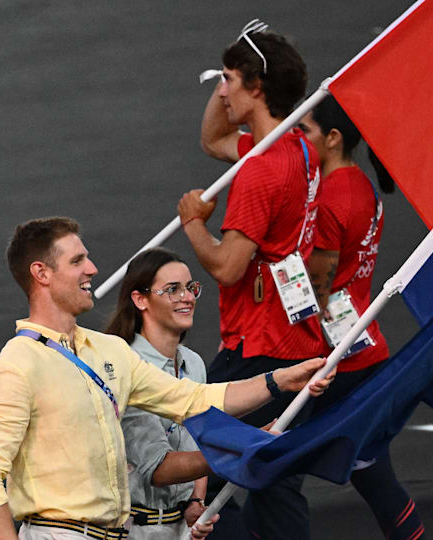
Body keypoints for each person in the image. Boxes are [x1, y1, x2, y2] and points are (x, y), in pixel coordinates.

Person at [0, 217, 332, 540]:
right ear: (41, 273)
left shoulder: (109, 350)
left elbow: (193, 400)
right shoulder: (19, 363)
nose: (93, 269)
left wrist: (279, 380)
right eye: (78, 261)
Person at [177, 21, 326, 540]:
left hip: (261, 346)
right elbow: (213, 137)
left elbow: (226, 266)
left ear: (256, 87)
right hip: (288, 332)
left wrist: (192, 221)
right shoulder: (299, 149)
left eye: (227, 80)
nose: (220, 91)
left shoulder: (260, 169)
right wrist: (239, 66)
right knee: (253, 471)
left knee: (231, 466)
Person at [300, 95, 425, 539]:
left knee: (273, 470)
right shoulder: (361, 187)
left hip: (335, 363)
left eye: (307, 131)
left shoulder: (332, 199)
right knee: (371, 471)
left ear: (332, 139)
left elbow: (317, 291)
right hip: (363, 349)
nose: (299, 138)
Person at [103, 248, 211, 540]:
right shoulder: (123, 365)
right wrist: (240, 449)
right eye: (172, 290)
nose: (187, 297)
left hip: (179, 529)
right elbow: (158, 469)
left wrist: (196, 500)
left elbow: (198, 438)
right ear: (140, 299)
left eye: (190, 288)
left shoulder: (194, 364)